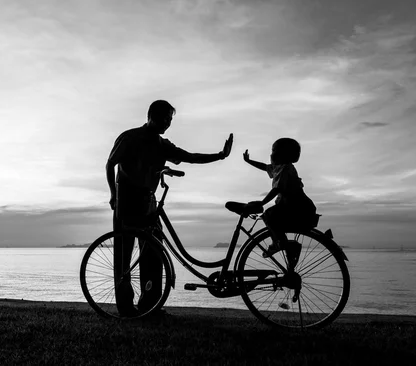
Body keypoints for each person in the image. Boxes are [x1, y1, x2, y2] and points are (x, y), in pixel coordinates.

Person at [106, 100, 233, 316]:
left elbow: (190, 157)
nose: (167, 123)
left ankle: (150, 305)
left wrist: (220, 155)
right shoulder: (129, 137)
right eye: (165, 118)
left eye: (170, 120)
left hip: (148, 203)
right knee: (123, 258)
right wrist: (113, 195)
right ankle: (125, 308)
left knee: (154, 255)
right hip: (126, 202)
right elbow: (110, 164)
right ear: (151, 116)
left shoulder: (162, 145)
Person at [243, 138, 318, 258]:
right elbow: (264, 167)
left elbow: (277, 189)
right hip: (290, 205)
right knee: (270, 217)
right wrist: (249, 161)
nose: (271, 154)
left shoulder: (285, 169)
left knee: (269, 215)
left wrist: (262, 202)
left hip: (297, 206)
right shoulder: (278, 167)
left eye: (274, 151)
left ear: (282, 154)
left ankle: (281, 243)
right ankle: (281, 243)